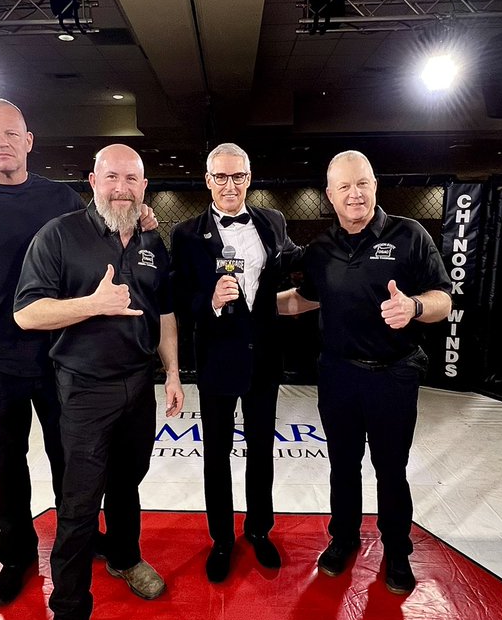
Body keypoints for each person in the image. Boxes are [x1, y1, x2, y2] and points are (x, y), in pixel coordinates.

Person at [0, 99, 152, 608]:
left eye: (11, 133)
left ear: (29, 140)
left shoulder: (61, 199)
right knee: (5, 466)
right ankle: (18, 554)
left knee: (76, 464)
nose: (1, 142)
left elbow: (111, 224)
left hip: (60, 358)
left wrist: (141, 212)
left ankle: (83, 541)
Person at [14, 144, 183, 620]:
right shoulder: (60, 235)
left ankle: (126, 558)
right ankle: (70, 614)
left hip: (139, 384)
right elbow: (26, 313)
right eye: (111, 178)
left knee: (128, 481)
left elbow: (166, 312)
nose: (121, 189)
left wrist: (171, 372)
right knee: (80, 501)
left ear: (144, 186)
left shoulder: (152, 241)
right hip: (84, 388)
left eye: (131, 180)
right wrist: (91, 304)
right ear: (93, 181)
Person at [277, 150, 451, 595]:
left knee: (391, 468)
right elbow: (304, 299)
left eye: (363, 183)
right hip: (337, 373)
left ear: (375, 185)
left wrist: (413, 307)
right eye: (345, 187)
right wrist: (248, 305)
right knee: (342, 465)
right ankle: (344, 539)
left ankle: (396, 549)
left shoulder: (410, 235)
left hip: (393, 374)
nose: (355, 194)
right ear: (330, 196)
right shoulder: (321, 249)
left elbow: (443, 300)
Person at [169, 142, 301, 583]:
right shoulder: (187, 234)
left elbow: (291, 265)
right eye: (221, 177)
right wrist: (207, 298)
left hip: (264, 357)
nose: (230, 185)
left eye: (238, 176)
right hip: (216, 358)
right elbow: (176, 297)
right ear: (208, 180)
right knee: (217, 454)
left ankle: (259, 531)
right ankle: (222, 539)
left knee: (262, 450)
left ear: (249, 177)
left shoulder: (273, 221)